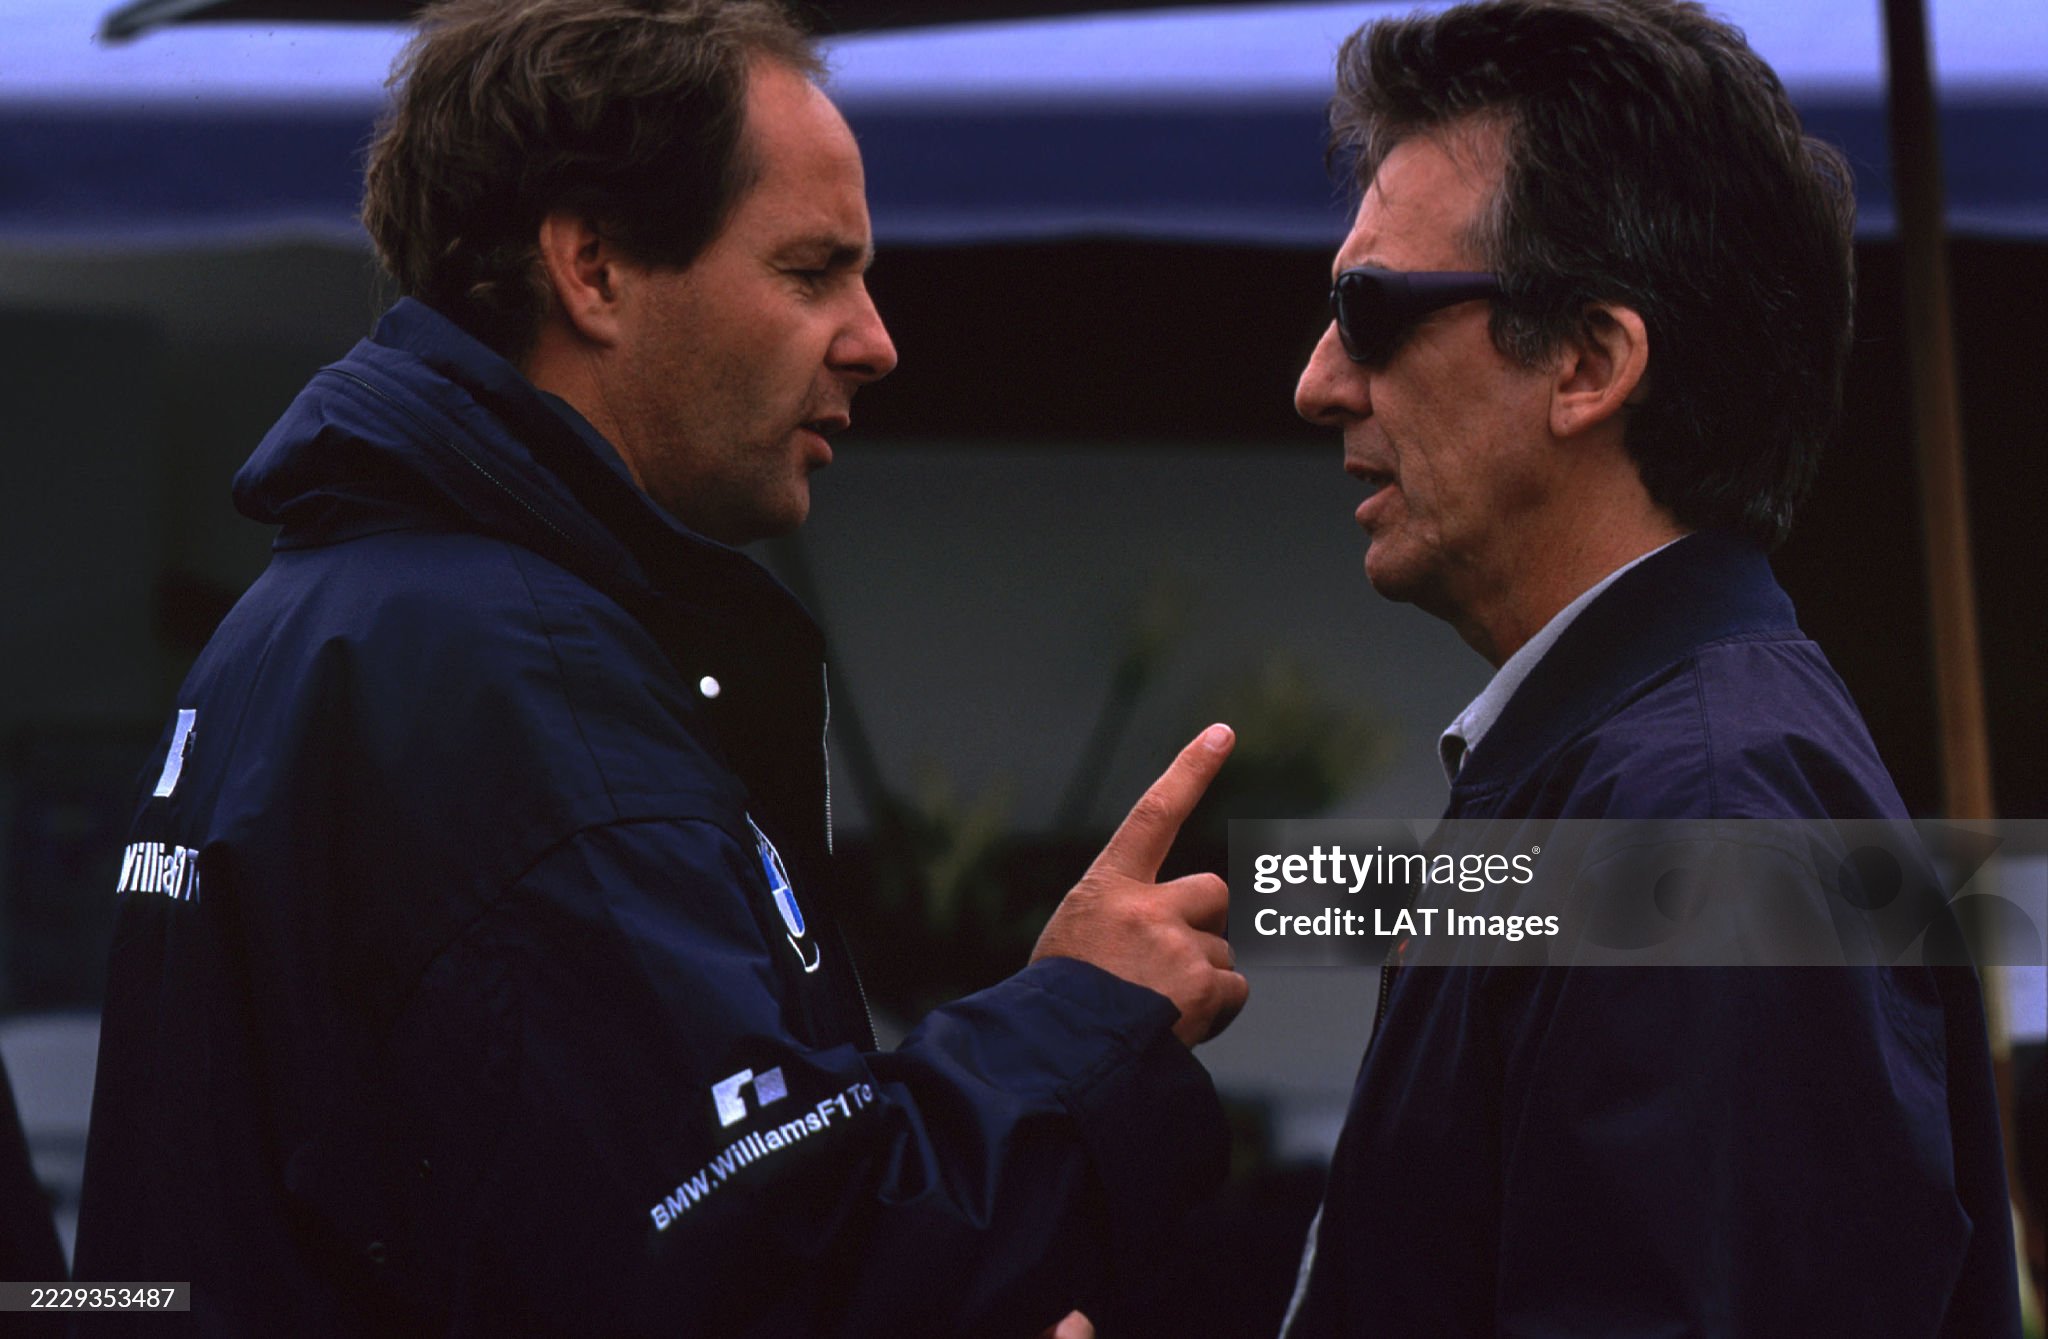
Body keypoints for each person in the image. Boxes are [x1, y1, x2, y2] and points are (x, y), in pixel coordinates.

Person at [68, 2, 1246, 1334]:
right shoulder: (517, 677)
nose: (877, 339)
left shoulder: (308, 617)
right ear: (594, 270)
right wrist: (1087, 1016)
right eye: (811, 272)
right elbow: (767, 1270)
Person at [1284, 0, 2020, 1334]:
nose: (1319, 380)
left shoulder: (1706, 812)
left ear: (1589, 362)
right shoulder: (1651, 773)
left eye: (1371, 309)